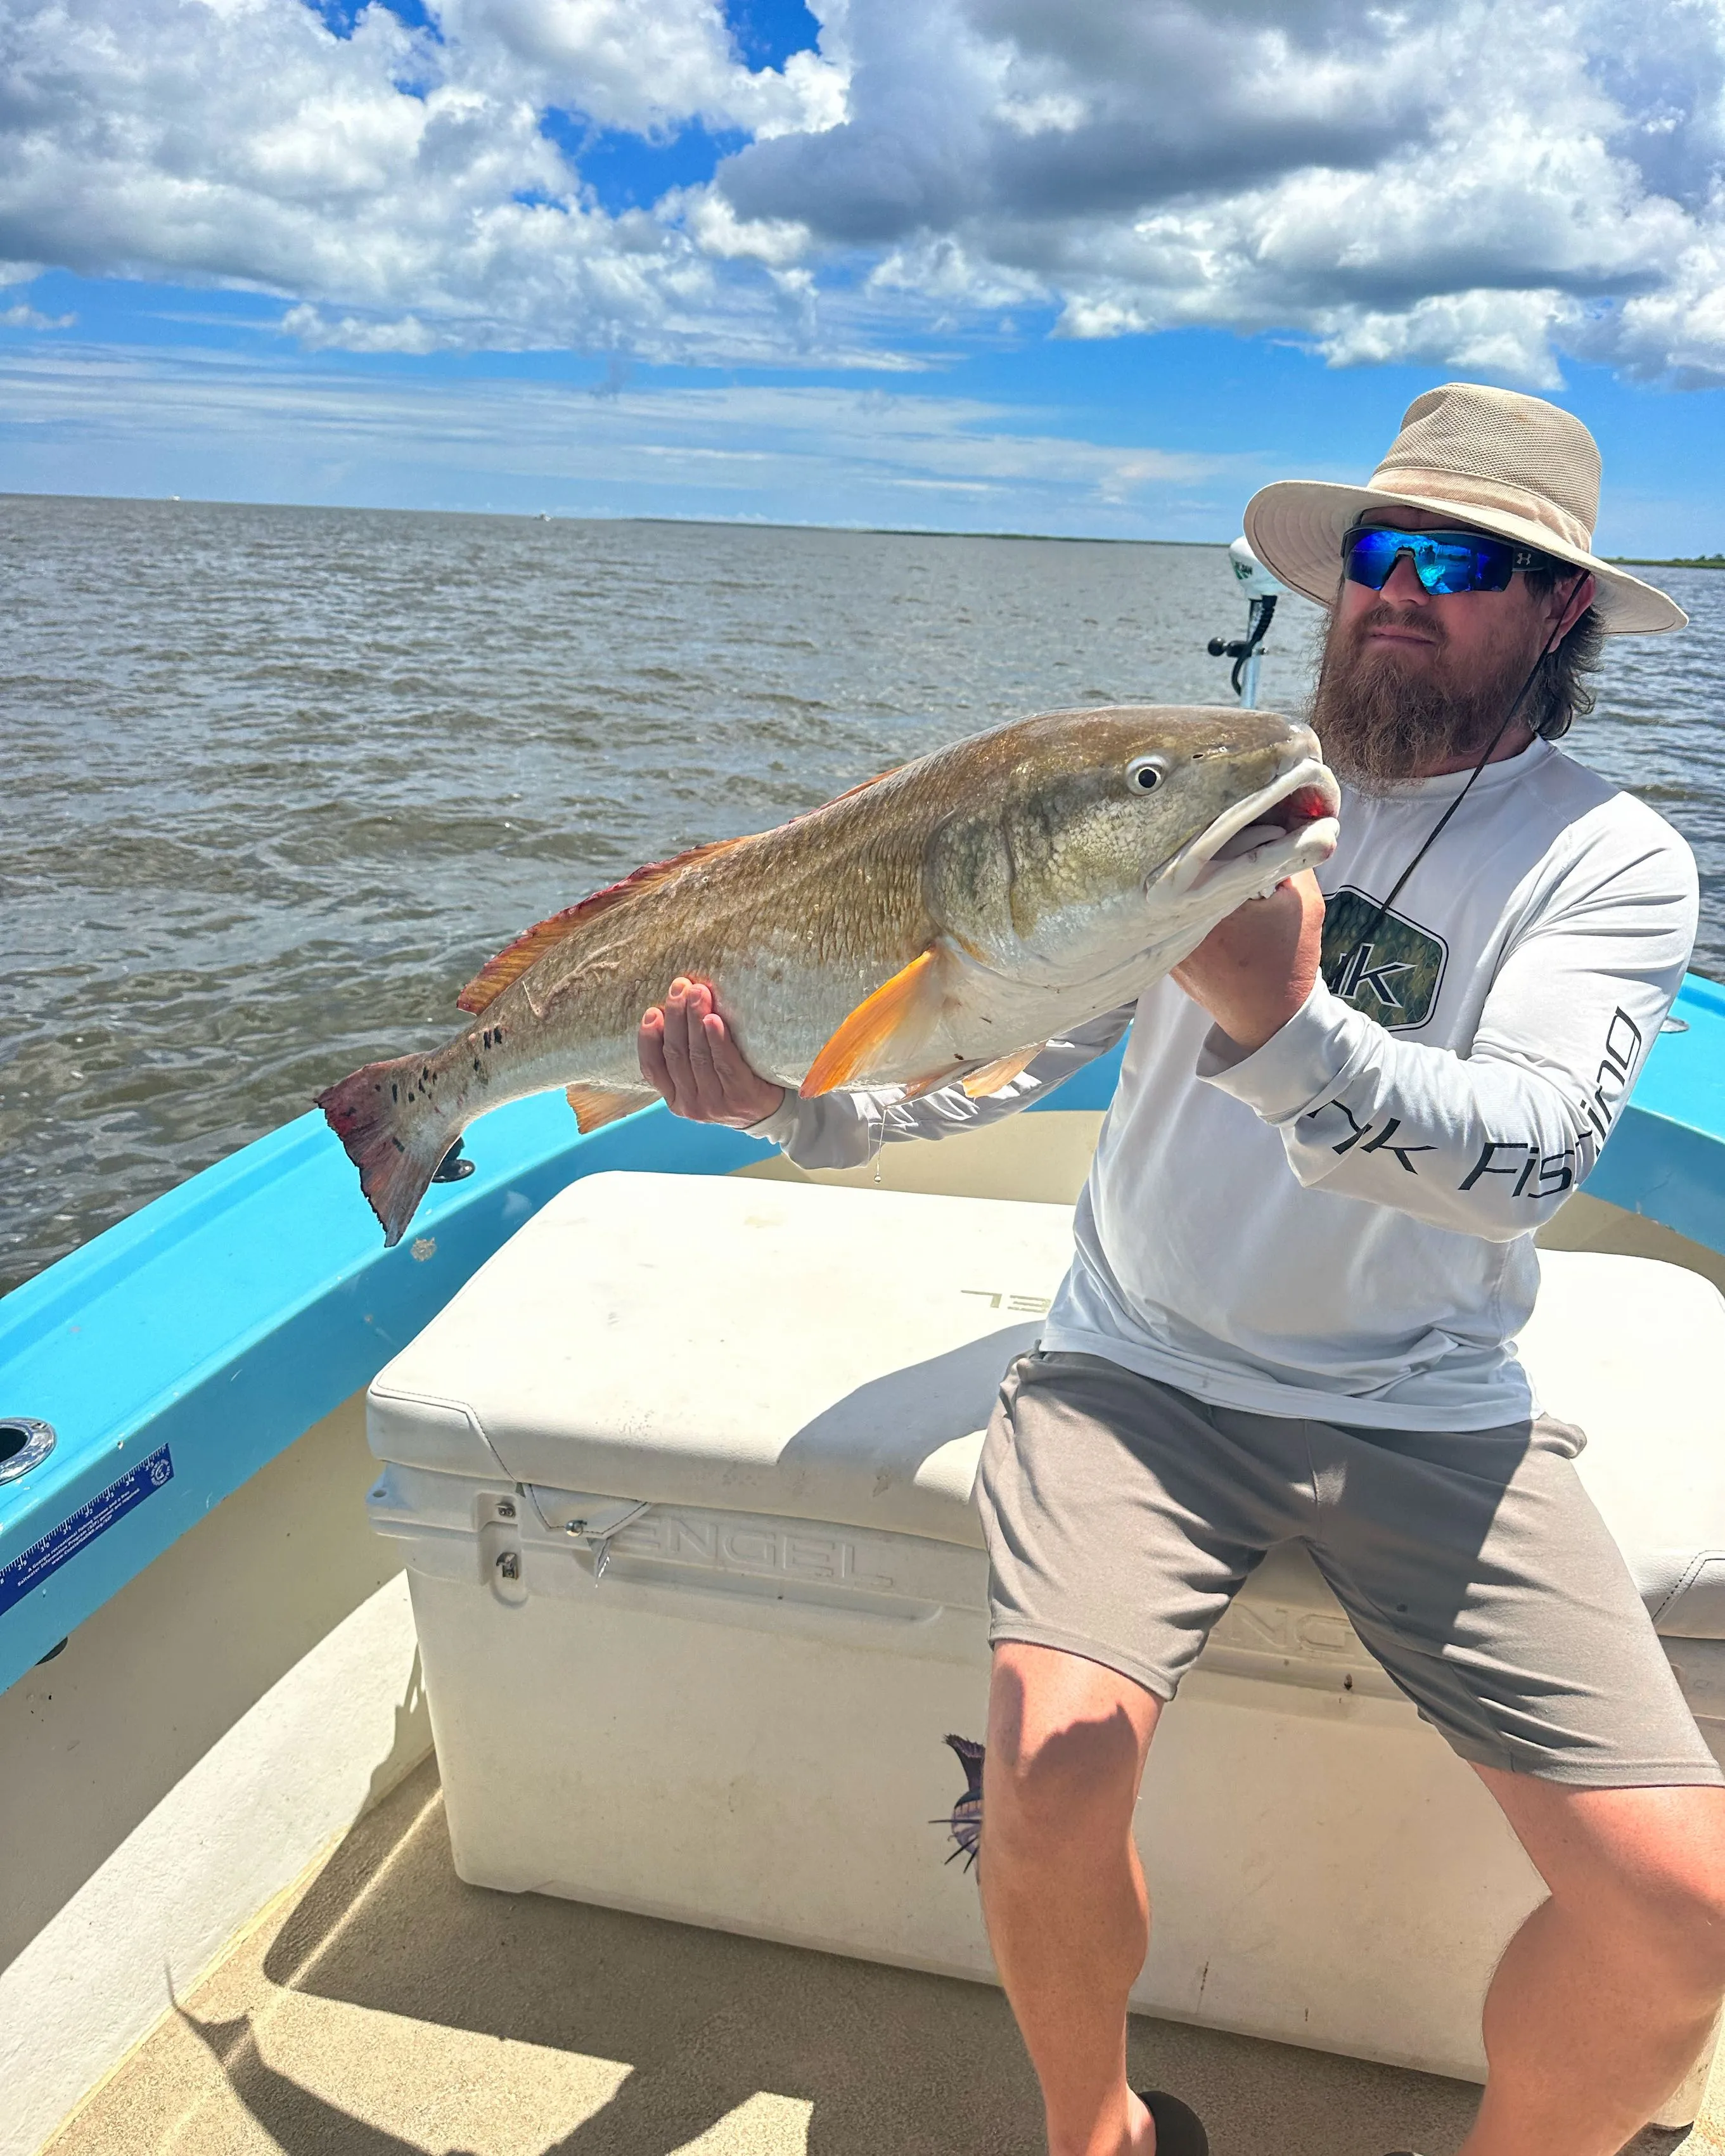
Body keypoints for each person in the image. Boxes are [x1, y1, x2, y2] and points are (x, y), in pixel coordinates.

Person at [636, 383, 1725, 2156]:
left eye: (1466, 561)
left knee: (1684, 1905)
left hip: (1426, 1407)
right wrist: (791, 1111)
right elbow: (997, 1043)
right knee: (1046, 1776)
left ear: (1563, 611)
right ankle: (1099, 2136)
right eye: (1381, 549)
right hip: (1137, 1371)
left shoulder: (1607, 860)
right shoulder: (1202, 789)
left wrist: (1285, 1023)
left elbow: (1527, 1164)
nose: (1400, 589)